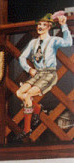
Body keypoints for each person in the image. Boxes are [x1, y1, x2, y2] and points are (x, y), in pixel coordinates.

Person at [14, 11, 71, 139]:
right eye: (39, 24)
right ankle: (37, 108)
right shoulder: (33, 42)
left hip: (49, 74)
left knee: (28, 95)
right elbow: (22, 57)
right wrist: (29, 69)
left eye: (44, 25)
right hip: (37, 74)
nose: (40, 27)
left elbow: (68, 42)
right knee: (19, 93)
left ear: (49, 27)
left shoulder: (53, 40)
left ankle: (27, 130)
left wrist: (63, 25)